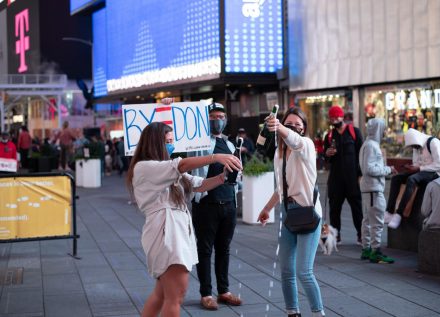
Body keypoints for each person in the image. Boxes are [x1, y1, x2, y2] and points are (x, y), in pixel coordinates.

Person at [126, 121, 242, 317]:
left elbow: (199, 184)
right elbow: (182, 165)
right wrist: (215, 157)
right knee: (176, 296)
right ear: (154, 143)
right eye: (167, 142)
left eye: (172, 141)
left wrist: (223, 177)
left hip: (173, 230)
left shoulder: (165, 169)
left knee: (162, 294)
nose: (171, 145)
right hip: (166, 232)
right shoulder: (146, 167)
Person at [258, 107, 325, 317]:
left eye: (298, 125)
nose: (293, 127)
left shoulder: (305, 145)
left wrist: (280, 127)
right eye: (289, 123)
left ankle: (318, 313)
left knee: (304, 272)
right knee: (286, 271)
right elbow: (281, 187)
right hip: (288, 215)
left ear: (304, 129)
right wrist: (267, 208)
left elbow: (295, 141)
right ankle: (292, 313)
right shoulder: (279, 153)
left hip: (308, 213)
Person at [188, 102, 243, 310]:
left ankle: (223, 291)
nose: (217, 120)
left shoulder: (230, 145)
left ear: (226, 119)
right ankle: (206, 293)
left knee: (224, 249)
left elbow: (237, 172)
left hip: (228, 204)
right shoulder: (197, 144)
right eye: (212, 117)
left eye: (220, 116)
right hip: (206, 204)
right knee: (204, 250)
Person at [385, 128, 440, 229]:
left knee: (412, 180)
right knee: (396, 178)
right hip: (422, 171)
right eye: (412, 146)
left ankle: (399, 214)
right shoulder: (416, 146)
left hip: (435, 173)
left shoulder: (433, 143)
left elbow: (439, 165)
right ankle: (390, 211)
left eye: (415, 146)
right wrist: (412, 167)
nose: (414, 148)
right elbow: (417, 162)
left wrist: (419, 167)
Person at [323, 105, 364, 244]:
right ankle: (336, 235)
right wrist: (327, 154)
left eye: (337, 117)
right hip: (335, 179)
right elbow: (325, 157)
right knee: (334, 208)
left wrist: (360, 175)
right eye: (332, 118)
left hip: (352, 179)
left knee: (357, 208)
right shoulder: (329, 136)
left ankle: (361, 234)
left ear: (342, 117)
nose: (334, 120)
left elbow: (362, 154)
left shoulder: (354, 132)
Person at [359, 118, 397, 264]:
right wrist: (388, 169)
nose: (384, 131)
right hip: (373, 188)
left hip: (368, 188)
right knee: (377, 221)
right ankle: (376, 251)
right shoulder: (372, 146)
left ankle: (366, 249)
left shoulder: (366, 145)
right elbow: (370, 169)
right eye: (383, 128)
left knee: (368, 220)